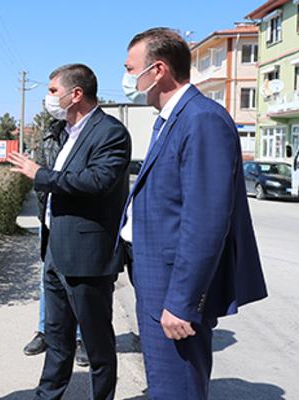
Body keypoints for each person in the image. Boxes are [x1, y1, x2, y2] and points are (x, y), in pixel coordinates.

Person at [119, 28, 268, 399]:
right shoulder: (171, 118)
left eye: (130, 69)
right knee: (165, 383)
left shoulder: (201, 120)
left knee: (178, 388)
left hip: (174, 289)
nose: (126, 79)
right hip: (156, 277)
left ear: (158, 70)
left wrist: (183, 302)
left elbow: (205, 222)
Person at [8, 64, 131, 400]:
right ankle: (48, 395)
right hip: (55, 251)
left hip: (87, 257)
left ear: (75, 94)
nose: (48, 98)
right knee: (57, 337)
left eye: (52, 91)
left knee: (97, 343)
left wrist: (41, 174)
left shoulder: (111, 133)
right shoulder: (63, 132)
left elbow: (97, 182)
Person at [23, 117, 87, 368]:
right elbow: (39, 174)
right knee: (47, 279)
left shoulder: (91, 133)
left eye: (54, 90)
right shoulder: (50, 134)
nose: (52, 98)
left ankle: (82, 339)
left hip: (76, 222)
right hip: (49, 218)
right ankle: (45, 332)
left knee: (77, 282)